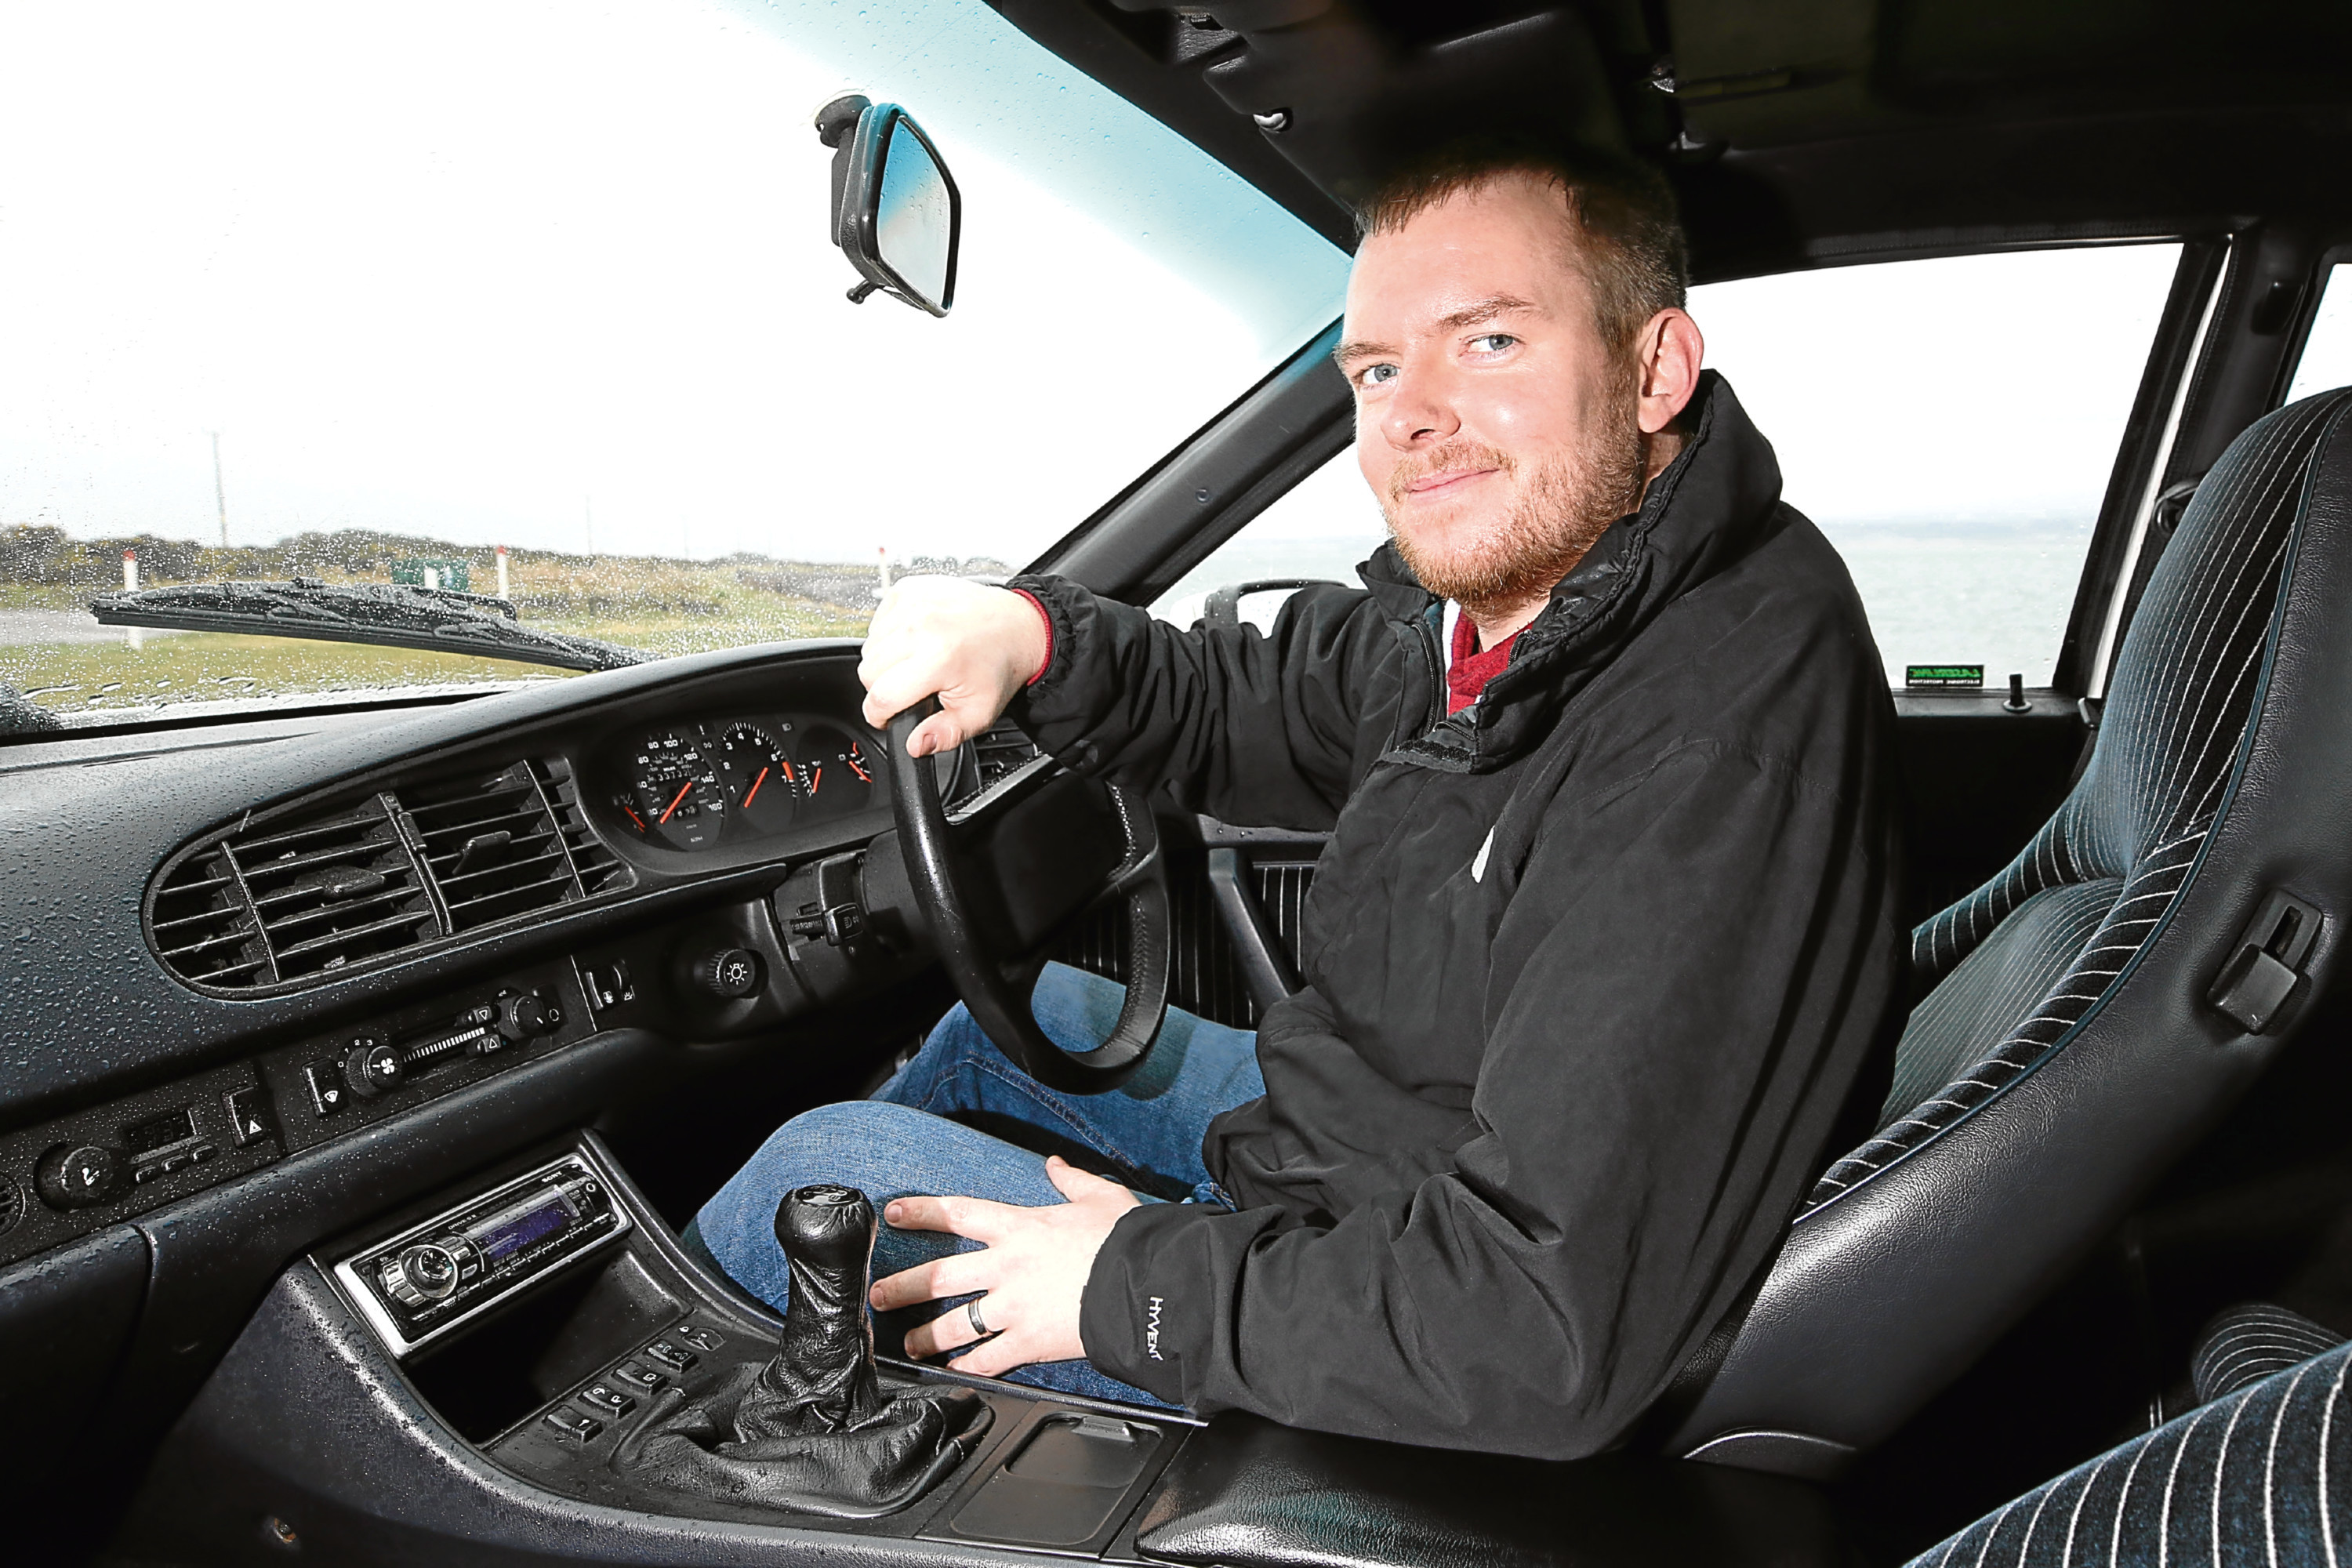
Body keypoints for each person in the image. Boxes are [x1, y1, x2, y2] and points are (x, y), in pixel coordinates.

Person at [694, 141, 1906, 1457]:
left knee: (818, 1171)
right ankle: (874, 1405)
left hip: (1419, 1320)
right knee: (1027, 1016)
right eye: (1379, 370)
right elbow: (1245, 700)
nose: (1409, 415)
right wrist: (1031, 635)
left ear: (1654, 367)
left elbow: (1532, 1327)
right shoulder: (1525, 606)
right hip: (1377, 1146)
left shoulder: (1702, 734)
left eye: (1488, 342)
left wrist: (1125, 1289)